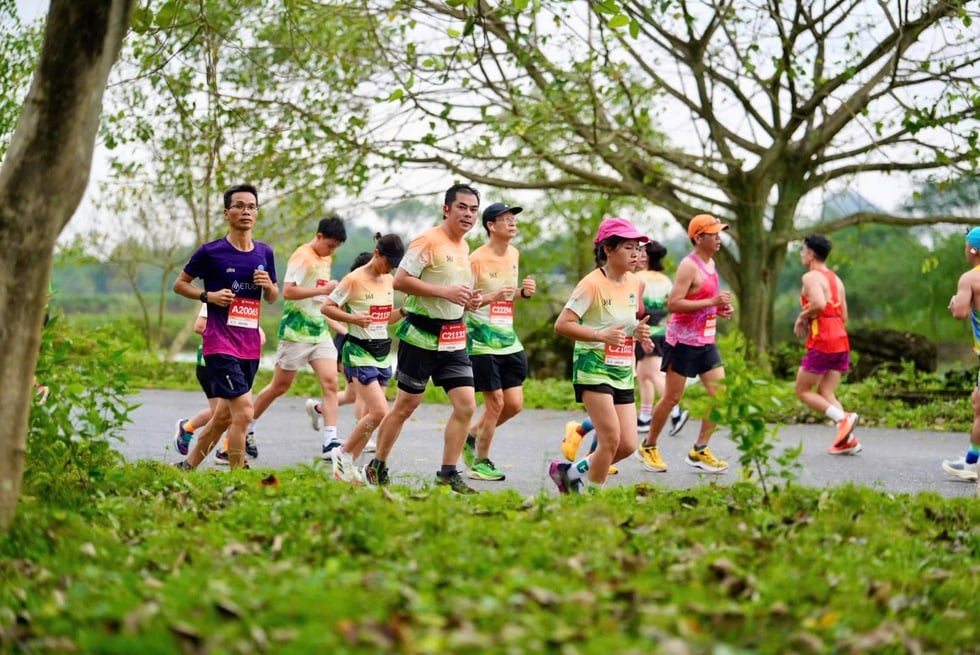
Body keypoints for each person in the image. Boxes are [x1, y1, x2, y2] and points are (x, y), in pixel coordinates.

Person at [363, 184, 483, 494]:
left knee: (466, 406)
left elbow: (451, 289)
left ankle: (447, 472)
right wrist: (446, 292)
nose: (468, 214)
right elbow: (401, 281)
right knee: (405, 406)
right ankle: (377, 463)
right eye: (462, 208)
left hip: (453, 335)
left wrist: (466, 300)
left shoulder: (464, 247)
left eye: (473, 209)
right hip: (420, 335)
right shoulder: (427, 241)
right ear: (447, 209)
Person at [217, 216, 347, 462]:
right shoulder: (302, 256)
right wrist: (323, 289)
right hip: (295, 332)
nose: (332, 251)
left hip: (318, 330)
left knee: (331, 383)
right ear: (319, 237)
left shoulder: (325, 258)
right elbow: (288, 292)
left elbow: (319, 297)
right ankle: (248, 426)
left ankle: (330, 440)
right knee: (280, 386)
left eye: (335, 247)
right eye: (330, 245)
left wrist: (333, 314)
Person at [172, 184, 279, 469]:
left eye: (251, 206)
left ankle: (188, 467)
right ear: (226, 213)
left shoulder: (264, 253)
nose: (246, 211)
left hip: (250, 346)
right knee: (244, 412)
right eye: (240, 205)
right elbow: (180, 284)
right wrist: (209, 296)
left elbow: (273, 297)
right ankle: (237, 477)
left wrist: (268, 285)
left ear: (257, 213)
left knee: (223, 418)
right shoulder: (211, 252)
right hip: (219, 344)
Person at [549, 217, 652, 494]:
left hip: (621, 370)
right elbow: (562, 325)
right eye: (629, 247)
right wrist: (599, 336)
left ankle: (569, 472)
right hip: (592, 367)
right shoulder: (591, 284)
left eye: (638, 248)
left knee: (628, 444)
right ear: (608, 249)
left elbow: (623, 323)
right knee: (610, 438)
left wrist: (638, 333)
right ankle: (592, 499)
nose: (636, 254)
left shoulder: (634, 283)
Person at [636, 213, 733, 475]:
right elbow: (674, 303)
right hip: (682, 341)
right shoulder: (688, 266)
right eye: (713, 234)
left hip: (706, 340)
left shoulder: (712, 265)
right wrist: (711, 303)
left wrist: (719, 309)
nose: (718, 238)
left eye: (719, 233)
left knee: (720, 395)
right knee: (671, 398)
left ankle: (700, 449)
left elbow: (705, 301)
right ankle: (649, 445)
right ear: (698, 237)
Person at [320, 235, 406, 484]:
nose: (391, 269)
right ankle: (342, 453)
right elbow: (327, 307)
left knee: (377, 413)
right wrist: (353, 319)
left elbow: (385, 318)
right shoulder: (354, 279)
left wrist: (403, 311)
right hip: (357, 352)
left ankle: (346, 464)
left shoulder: (389, 280)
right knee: (380, 410)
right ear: (377, 254)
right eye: (389, 263)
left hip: (380, 352)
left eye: (395, 265)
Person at [462, 202, 536, 482]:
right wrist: (493, 297)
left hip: (508, 339)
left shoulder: (514, 254)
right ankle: (480, 461)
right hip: (481, 341)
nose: (512, 223)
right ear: (491, 226)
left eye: (513, 219)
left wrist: (523, 293)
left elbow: (508, 296)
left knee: (514, 404)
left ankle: (470, 435)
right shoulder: (476, 259)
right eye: (506, 219)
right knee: (495, 403)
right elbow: (466, 303)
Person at [793, 234, 861, 455]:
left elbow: (819, 304)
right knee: (826, 390)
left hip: (823, 339)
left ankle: (843, 418)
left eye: (803, 251)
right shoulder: (836, 279)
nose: (802, 255)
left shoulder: (811, 277)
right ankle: (847, 440)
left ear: (811, 254)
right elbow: (845, 315)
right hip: (841, 339)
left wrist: (802, 317)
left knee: (802, 390)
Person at [306, 250, 375, 451]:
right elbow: (326, 313)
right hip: (346, 344)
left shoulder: (374, 288)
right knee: (363, 390)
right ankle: (360, 435)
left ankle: (319, 409)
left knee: (353, 395)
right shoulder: (349, 287)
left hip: (364, 344)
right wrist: (344, 330)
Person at [633, 240, 689, 436]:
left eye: (640, 252)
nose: (637, 255)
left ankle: (675, 411)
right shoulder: (666, 281)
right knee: (642, 375)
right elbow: (669, 305)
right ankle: (645, 417)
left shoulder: (638, 278)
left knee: (654, 374)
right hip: (660, 329)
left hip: (645, 331)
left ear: (647, 257)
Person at [941, 227, 980, 483]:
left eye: (966, 246)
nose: (965, 251)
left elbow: (959, 313)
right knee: (978, 402)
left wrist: (955, 301)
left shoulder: (970, 279)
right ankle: (971, 459)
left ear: (974, 250)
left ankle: (970, 465)